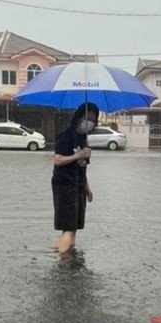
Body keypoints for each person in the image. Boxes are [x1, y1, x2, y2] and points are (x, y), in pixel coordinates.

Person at [52, 102, 98, 253]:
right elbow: (58, 160)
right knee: (69, 227)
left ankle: (68, 255)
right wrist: (78, 154)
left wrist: (87, 188)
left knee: (75, 226)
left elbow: (82, 168)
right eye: (87, 118)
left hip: (78, 186)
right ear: (79, 117)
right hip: (65, 185)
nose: (89, 122)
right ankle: (64, 264)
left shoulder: (83, 140)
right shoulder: (66, 136)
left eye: (93, 120)